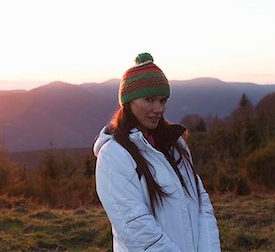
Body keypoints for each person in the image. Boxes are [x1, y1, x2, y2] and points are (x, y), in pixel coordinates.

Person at [94, 52, 221, 252]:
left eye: (162, 100)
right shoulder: (114, 154)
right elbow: (134, 225)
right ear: (128, 102)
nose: (158, 108)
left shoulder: (175, 144)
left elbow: (201, 203)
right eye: (149, 99)